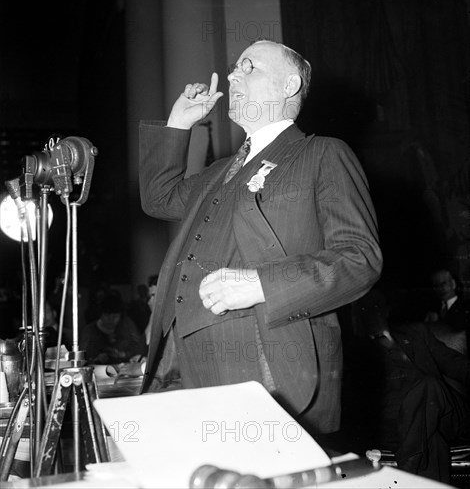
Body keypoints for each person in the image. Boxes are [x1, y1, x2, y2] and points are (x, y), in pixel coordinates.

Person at [139, 39, 382, 435]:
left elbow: (360, 258)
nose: (233, 74)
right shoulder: (220, 171)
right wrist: (178, 124)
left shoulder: (322, 154)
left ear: (288, 86)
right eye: (235, 67)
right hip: (185, 359)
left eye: (249, 67)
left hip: (268, 358)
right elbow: (158, 199)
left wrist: (262, 284)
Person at [354, 298, 470, 483]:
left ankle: (407, 470)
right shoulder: (359, 355)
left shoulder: (416, 333)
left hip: (445, 412)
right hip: (403, 427)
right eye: (364, 307)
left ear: (386, 310)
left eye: (377, 305)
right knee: (432, 442)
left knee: (428, 385)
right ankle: (415, 470)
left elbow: (454, 363)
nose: (373, 312)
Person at [80, 291, 146, 365]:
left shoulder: (127, 325)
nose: (111, 320)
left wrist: (123, 354)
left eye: (115, 316)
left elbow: (139, 347)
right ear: (100, 314)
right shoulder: (89, 331)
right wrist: (96, 359)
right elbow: (83, 357)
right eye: (107, 316)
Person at [424, 268, 470, 355]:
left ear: (453, 284)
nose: (440, 288)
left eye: (443, 283)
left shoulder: (466, 306)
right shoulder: (431, 309)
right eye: (435, 286)